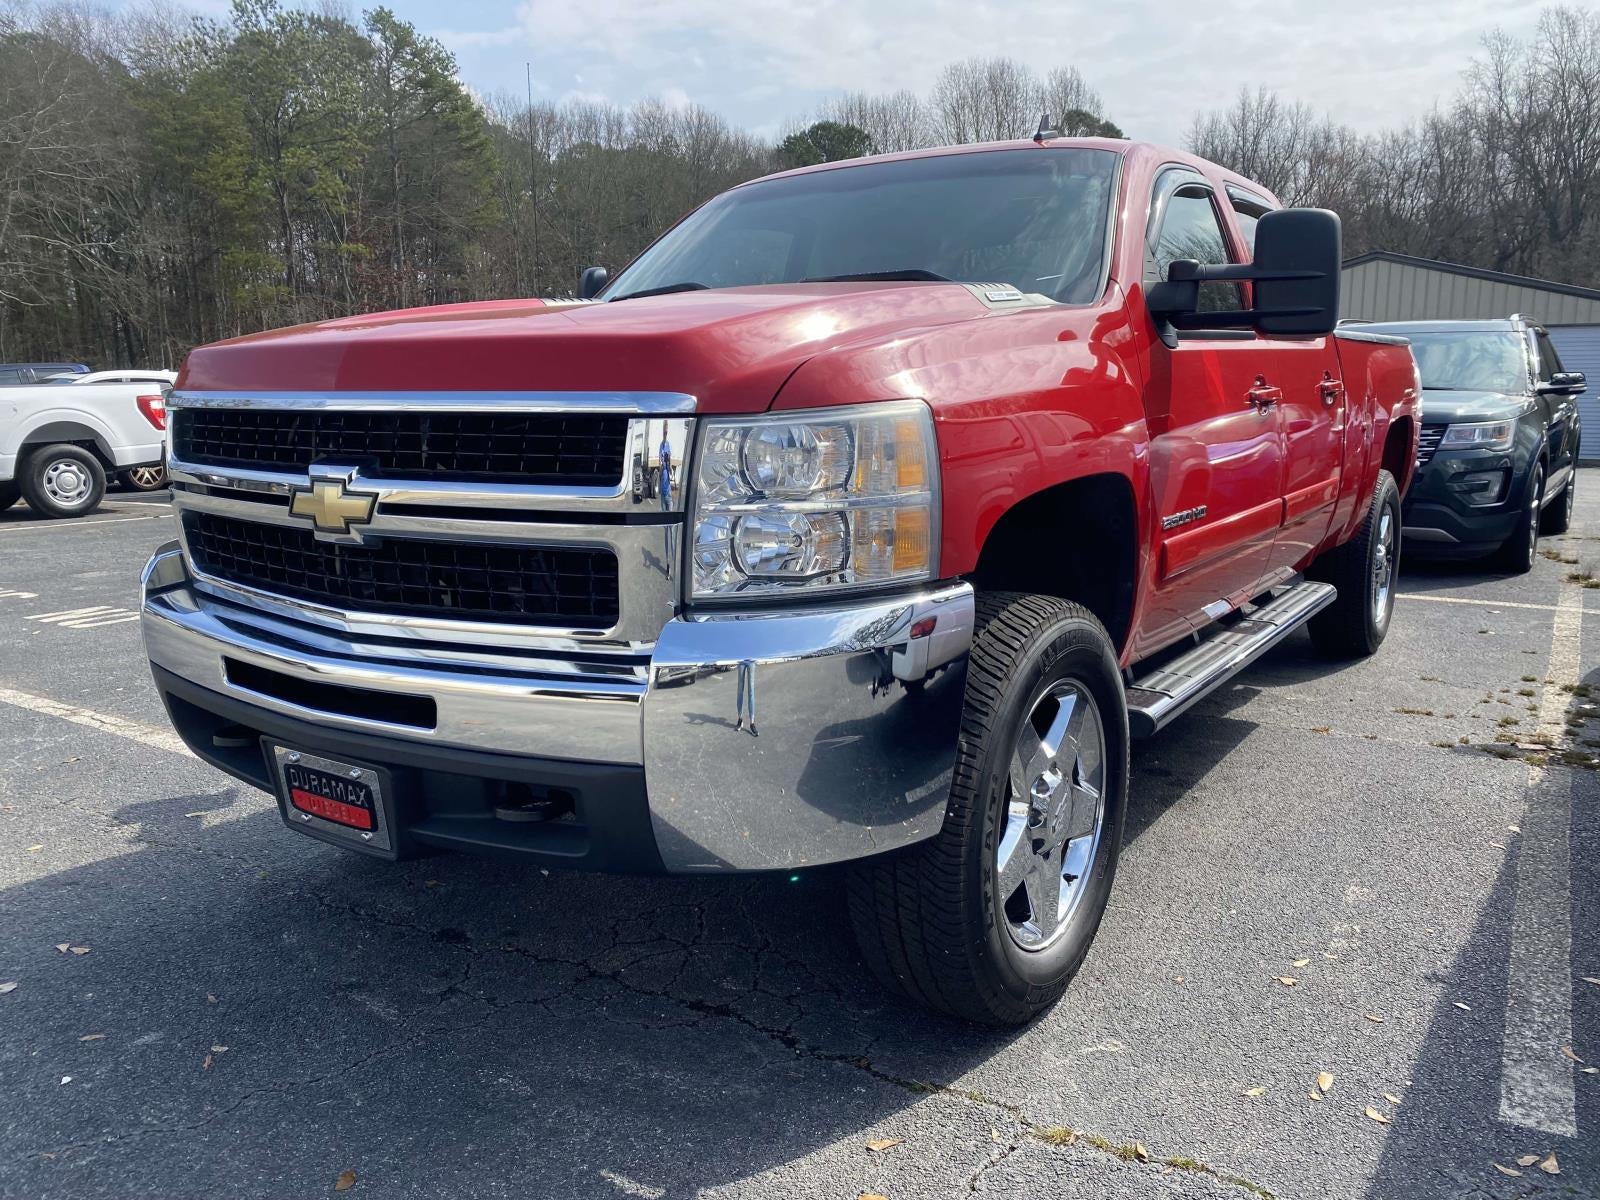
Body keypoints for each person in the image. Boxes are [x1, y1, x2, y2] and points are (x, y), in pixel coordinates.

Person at [658, 434, 673, 509]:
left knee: (669, 515)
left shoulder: (668, 468)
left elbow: (670, 472)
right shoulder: (662, 468)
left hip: (668, 494)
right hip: (663, 495)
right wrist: (662, 463)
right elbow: (660, 474)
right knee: (665, 514)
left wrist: (669, 463)